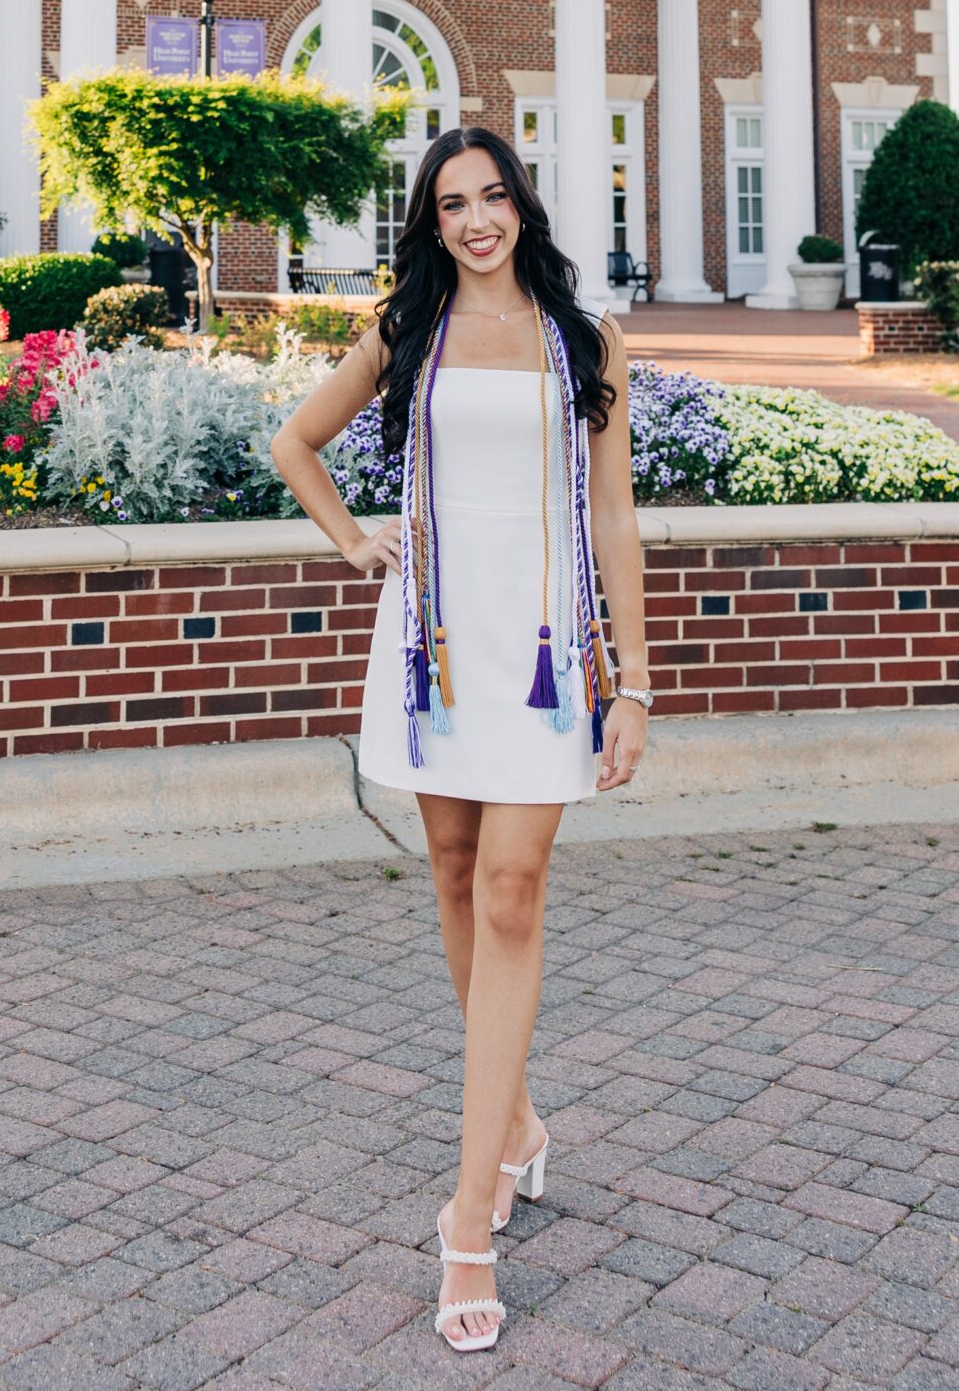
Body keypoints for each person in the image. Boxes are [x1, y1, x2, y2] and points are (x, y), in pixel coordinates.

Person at [270, 127, 650, 1354]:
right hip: (432, 647)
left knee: (511, 886)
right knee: (448, 874)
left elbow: (612, 514)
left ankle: (468, 1218)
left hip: (541, 662)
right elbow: (294, 441)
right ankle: (519, 1125)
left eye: (493, 196)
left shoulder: (583, 342)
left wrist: (633, 684)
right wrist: (348, 540)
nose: (476, 219)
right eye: (451, 203)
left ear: (522, 206)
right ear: (429, 223)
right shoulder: (408, 332)